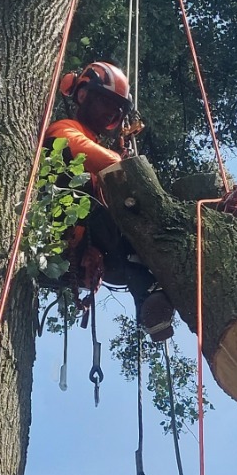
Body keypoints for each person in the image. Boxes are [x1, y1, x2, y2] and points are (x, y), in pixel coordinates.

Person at [46, 61, 174, 340]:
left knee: (134, 248)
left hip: (82, 249)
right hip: (60, 219)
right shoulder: (64, 127)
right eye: (106, 101)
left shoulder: (98, 147)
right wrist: (125, 167)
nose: (111, 113)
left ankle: (151, 303)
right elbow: (75, 148)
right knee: (124, 222)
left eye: (118, 110)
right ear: (82, 95)